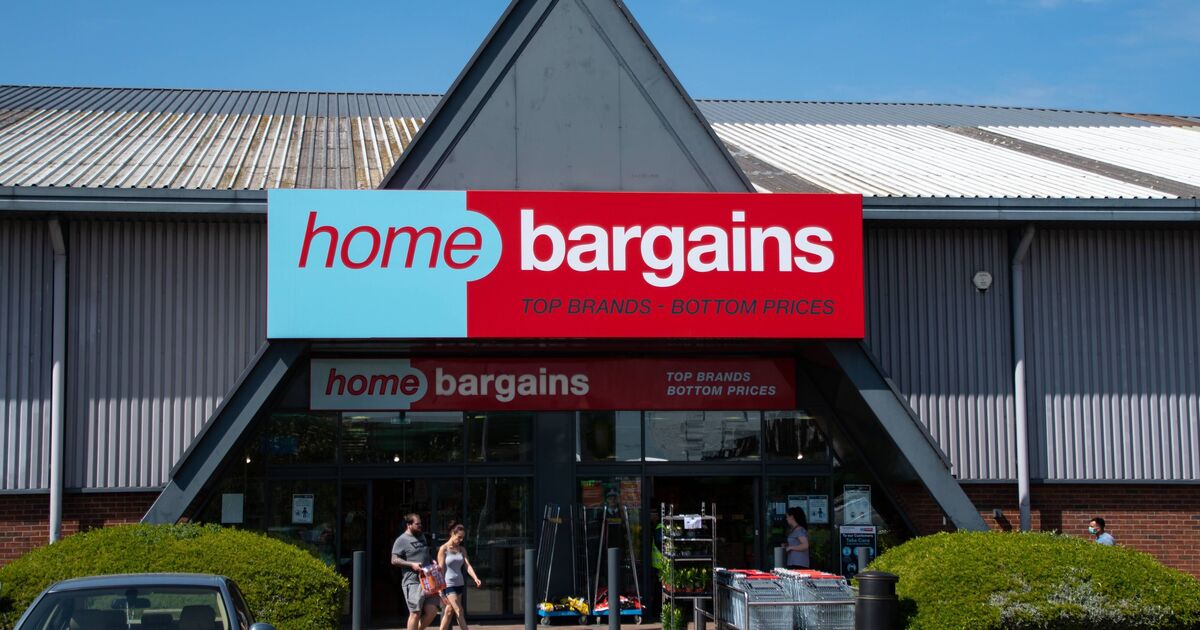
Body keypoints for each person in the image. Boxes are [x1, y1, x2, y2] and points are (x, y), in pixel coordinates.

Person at [392, 513, 440, 630]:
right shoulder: (401, 540)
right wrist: (411, 564)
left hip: (428, 579)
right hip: (413, 581)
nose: (420, 526)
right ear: (409, 525)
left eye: (420, 524)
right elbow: (394, 560)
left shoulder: (421, 536)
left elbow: (424, 554)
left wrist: (432, 561)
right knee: (415, 613)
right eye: (417, 524)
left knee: (433, 610)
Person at [438, 521, 482, 630]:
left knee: (449, 611)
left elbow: (467, 566)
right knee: (459, 610)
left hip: (459, 583)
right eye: (459, 537)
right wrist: (440, 589)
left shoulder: (462, 549)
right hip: (448, 584)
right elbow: (440, 570)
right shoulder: (443, 549)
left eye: (462, 538)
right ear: (452, 534)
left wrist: (475, 578)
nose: (461, 540)